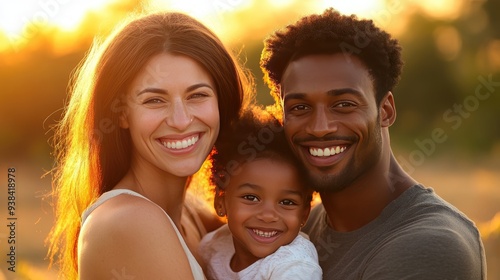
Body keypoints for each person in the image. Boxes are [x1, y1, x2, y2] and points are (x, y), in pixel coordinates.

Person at [260, 8, 486, 279]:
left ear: (386, 111)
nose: (320, 128)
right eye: (300, 107)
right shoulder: (301, 224)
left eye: (344, 104)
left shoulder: (427, 246)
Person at [46, 11, 253, 279]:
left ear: (220, 103)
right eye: (154, 100)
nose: (180, 120)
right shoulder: (129, 220)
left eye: (197, 95)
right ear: (121, 114)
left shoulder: (192, 212)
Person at [198, 107, 322, 279]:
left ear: (304, 214)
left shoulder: (295, 265)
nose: (268, 215)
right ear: (221, 201)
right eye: (251, 198)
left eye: (287, 202)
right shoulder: (212, 246)